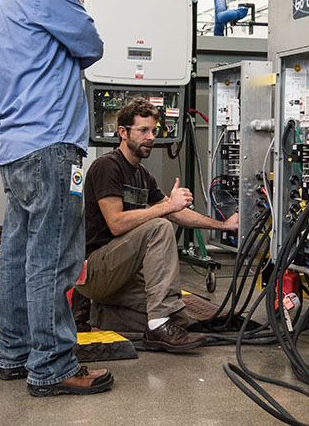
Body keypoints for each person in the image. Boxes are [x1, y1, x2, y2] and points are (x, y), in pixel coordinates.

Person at [0, 0, 112, 397]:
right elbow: (92, 45)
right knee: (54, 259)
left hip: (13, 147)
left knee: (18, 256)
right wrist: (78, 0)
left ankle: (14, 353)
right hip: (52, 144)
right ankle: (54, 366)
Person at [77, 98, 239, 352]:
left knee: (179, 318)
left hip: (121, 277)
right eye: (143, 130)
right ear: (123, 132)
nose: (151, 137)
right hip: (96, 268)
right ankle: (157, 326)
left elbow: (179, 214)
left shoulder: (143, 176)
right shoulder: (107, 167)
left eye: (154, 130)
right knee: (159, 227)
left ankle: (101, 315)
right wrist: (166, 208)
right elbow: (116, 224)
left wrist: (224, 226)